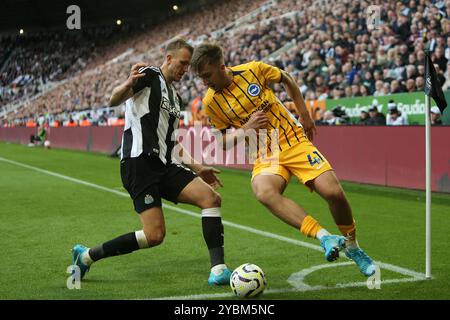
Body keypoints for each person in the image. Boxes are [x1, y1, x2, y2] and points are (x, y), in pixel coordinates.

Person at [190, 43, 376, 277]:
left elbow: (286, 78)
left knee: (333, 193)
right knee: (264, 192)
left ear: (221, 66)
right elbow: (222, 142)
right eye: (201, 78)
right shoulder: (211, 102)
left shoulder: (254, 70)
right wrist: (246, 128)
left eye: (207, 76)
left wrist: (304, 114)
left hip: (292, 139)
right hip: (264, 153)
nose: (205, 82)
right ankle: (324, 237)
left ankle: (353, 247)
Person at [71, 38, 232, 285]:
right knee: (154, 235)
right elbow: (113, 100)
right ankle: (87, 256)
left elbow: (172, 141)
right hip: (138, 164)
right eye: (182, 63)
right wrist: (127, 84)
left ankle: (219, 270)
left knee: (210, 198)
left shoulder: (176, 99)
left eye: (188, 66)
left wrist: (198, 167)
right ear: (168, 58)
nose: (184, 70)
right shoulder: (148, 75)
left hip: (164, 164)